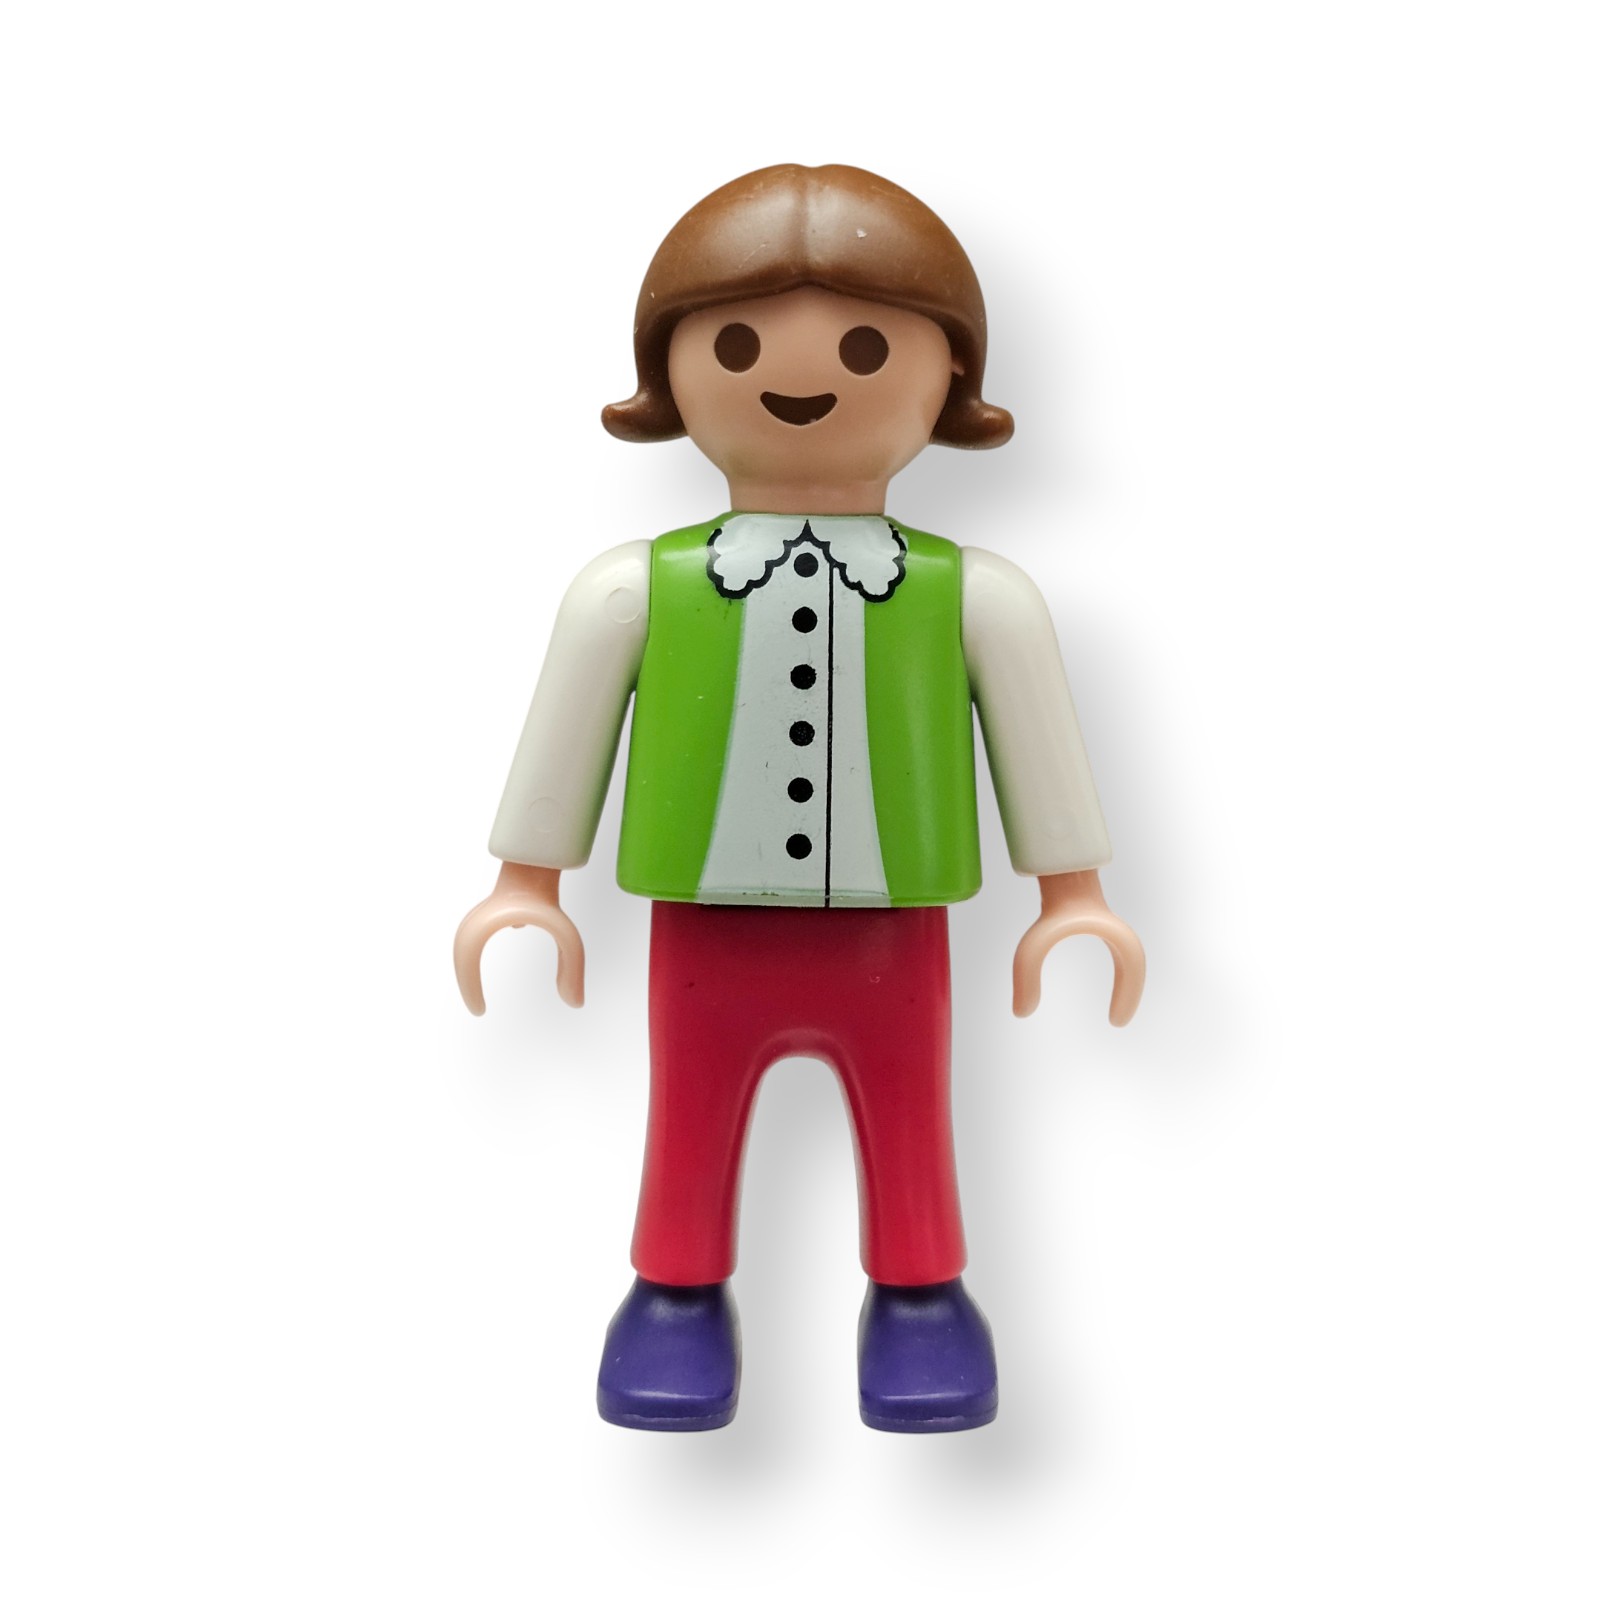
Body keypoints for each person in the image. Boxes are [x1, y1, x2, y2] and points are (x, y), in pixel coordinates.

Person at [454, 164, 1144, 1433]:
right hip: (703, 927)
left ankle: (922, 1296)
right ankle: (673, 1294)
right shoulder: (635, 588)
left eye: (869, 347)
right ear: (672, 373)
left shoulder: (973, 595)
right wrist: (525, 880)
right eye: (735, 344)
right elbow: (568, 730)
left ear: (948, 378)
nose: (802, 377)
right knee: (689, 1104)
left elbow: (1034, 735)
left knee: (910, 1104)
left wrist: (1073, 892)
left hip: (894, 928)